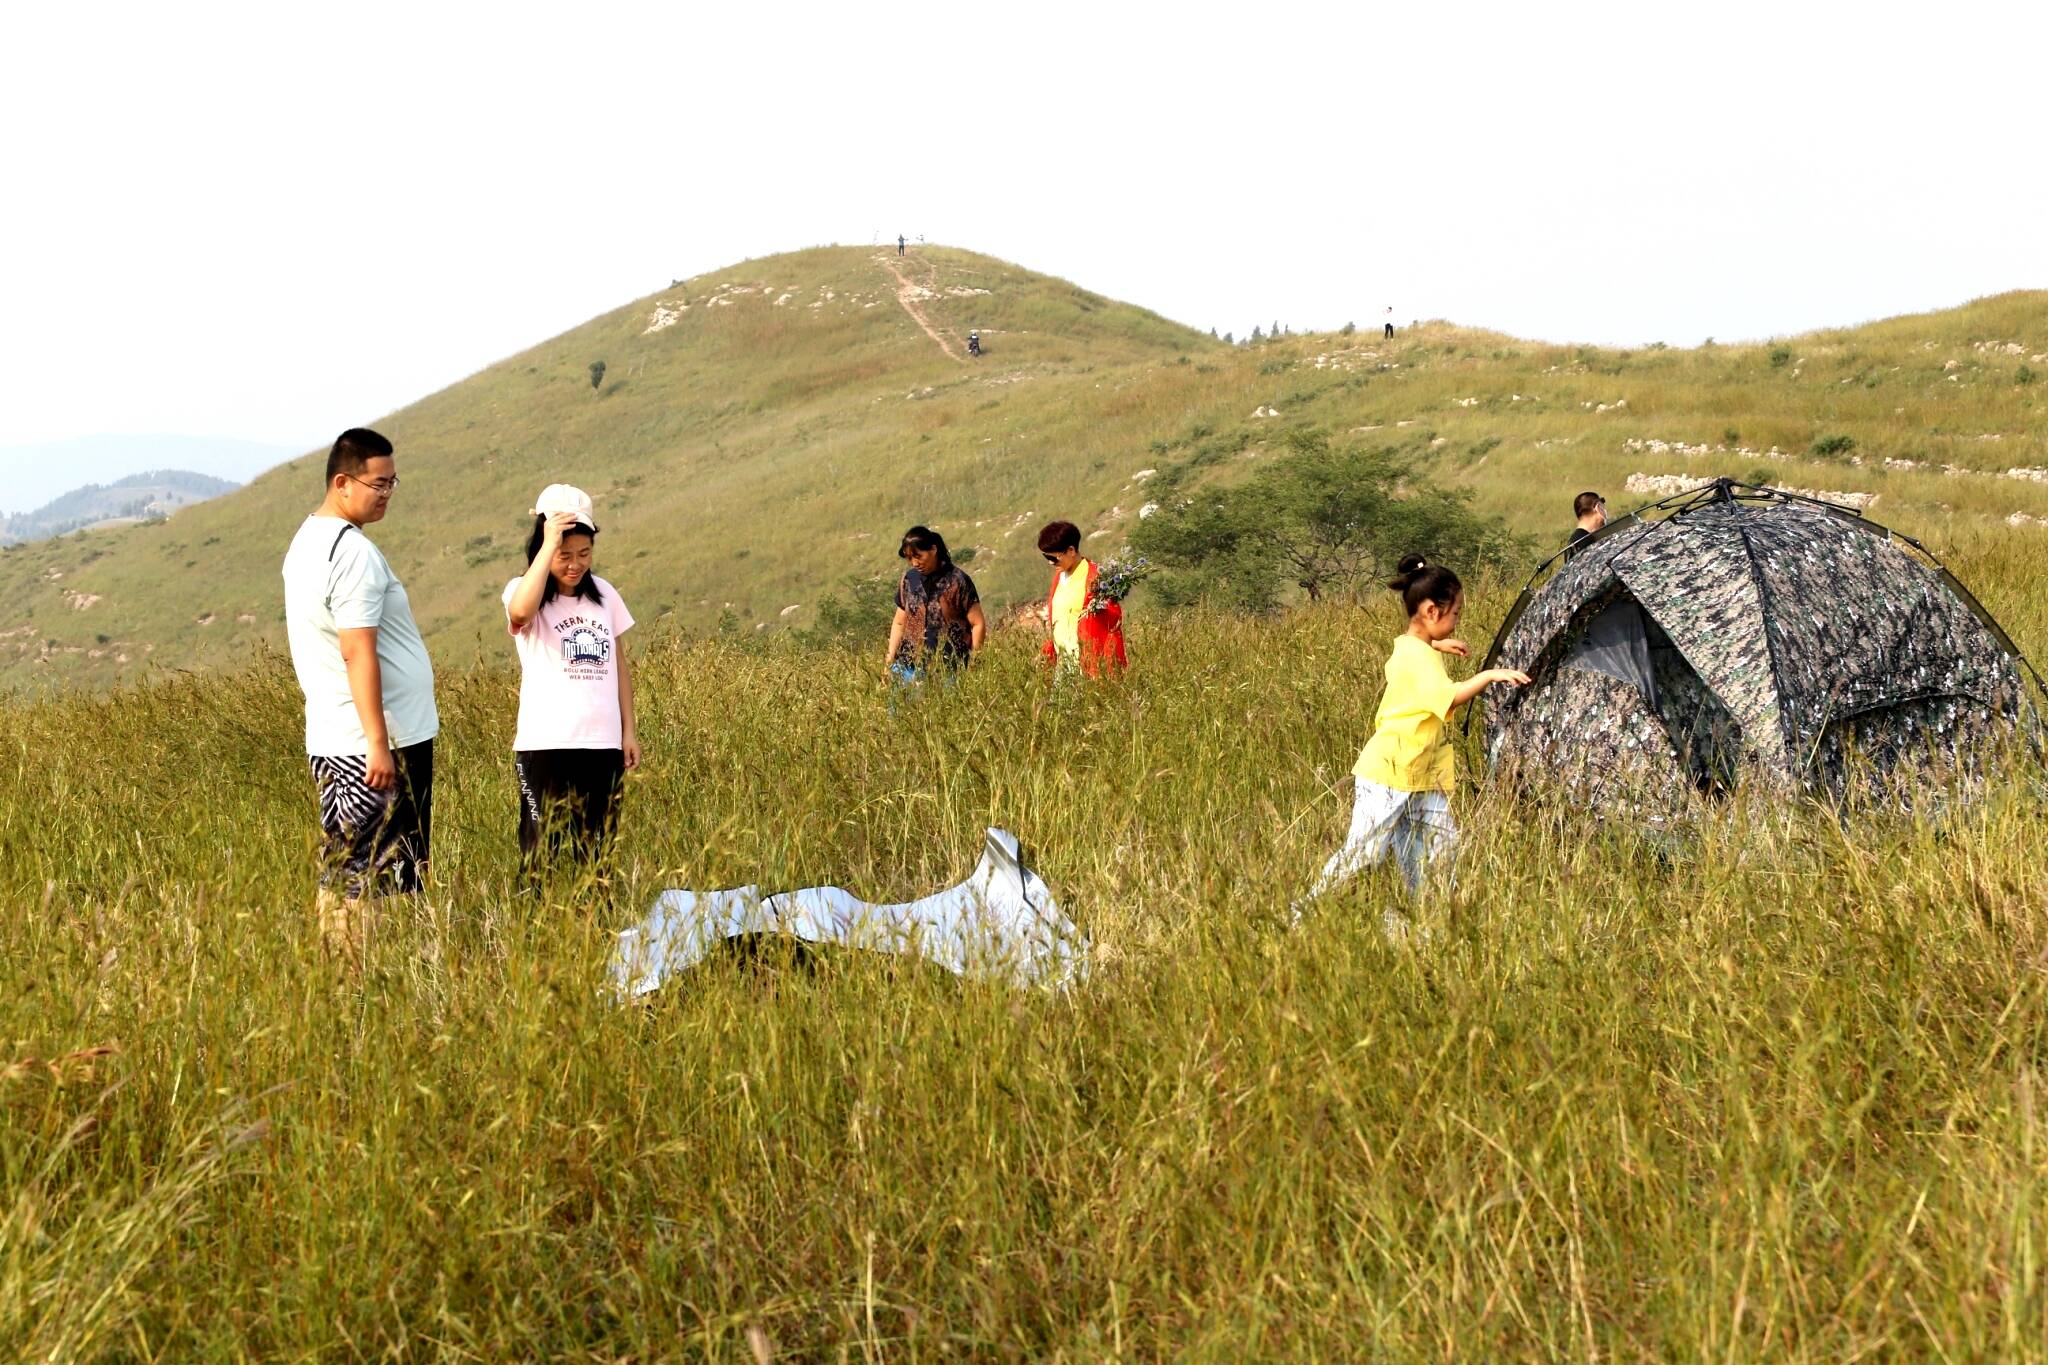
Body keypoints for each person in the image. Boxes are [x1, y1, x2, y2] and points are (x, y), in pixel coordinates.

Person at [280, 427, 438, 972]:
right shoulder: (353, 555)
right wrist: (378, 744)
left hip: (335, 736)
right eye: (379, 483)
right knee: (376, 875)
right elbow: (356, 651)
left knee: (348, 865)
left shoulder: (306, 541)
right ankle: (363, 982)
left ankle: (351, 978)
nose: (388, 493)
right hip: (373, 741)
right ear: (343, 482)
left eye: (394, 482)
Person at [1301, 554, 1529, 911]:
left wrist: (1438, 644)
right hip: (1392, 773)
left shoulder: (1414, 647)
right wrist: (1488, 676)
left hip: (1421, 775)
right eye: (1455, 615)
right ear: (1431, 612)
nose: (1457, 623)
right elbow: (1448, 695)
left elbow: (1410, 651)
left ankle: (1428, 925)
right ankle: (1303, 913)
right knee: (1363, 854)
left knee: (1439, 851)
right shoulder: (1417, 658)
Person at [503, 484, 640, 887]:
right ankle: (534, 937)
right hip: (546, 746)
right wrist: (548, 547)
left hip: (602, 745)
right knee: (541, 848)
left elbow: (619, 666)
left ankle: (596, 934)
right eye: (566, 555)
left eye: (584, 554)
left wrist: (628, 732)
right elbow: (520, 610)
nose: (575, 564)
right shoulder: (524, 591)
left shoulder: (605, 597)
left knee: (598, 852)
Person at [885, 525, 985, 684]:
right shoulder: (909, 580)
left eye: (918, 556)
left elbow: (977, 623)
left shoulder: (957, 580)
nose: (914, 563)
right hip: (908, 667)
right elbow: (899, 622)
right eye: (910, 558)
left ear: (933, 550)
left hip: (949, 669)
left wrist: (974, 662)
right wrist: (890, 660)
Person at [1037, 520, 1126, 678]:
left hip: (1089, 666)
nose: (1050, 563)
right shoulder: (1059, 577)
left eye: (1054, 558)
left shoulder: (1096, 578)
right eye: (1046, 557)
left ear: (1071, 550)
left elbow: (1112, 624)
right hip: (1063, 665)